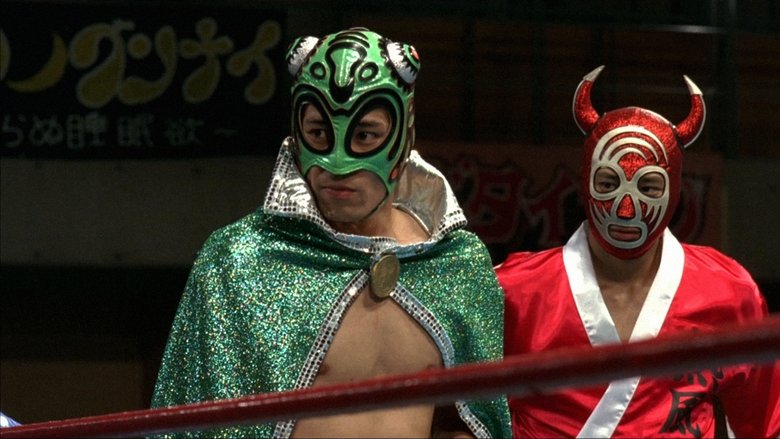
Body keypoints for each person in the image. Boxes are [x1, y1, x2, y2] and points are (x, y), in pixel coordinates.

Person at [151, 28, 510, 438]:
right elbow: (193, 426)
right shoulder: (240, 261)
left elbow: (473, 421)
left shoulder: (456, 265)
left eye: (365, 135)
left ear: (405, 132)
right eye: (319, 133)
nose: (337, 164)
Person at [496, 65, 780, 438]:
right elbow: (459, 422)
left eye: (648, 187)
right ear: (585, 182)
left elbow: (764, 427)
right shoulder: (514, 292)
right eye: (608, 183)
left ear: (674, 191)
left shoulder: (729, 292)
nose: (626, 209)